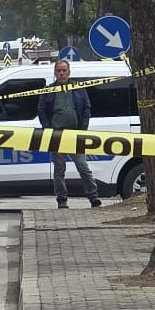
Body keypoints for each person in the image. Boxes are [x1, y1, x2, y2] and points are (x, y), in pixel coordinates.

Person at [36, 59, 101, 209]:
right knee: (59, 170)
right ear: (55, 73)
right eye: (59, 71)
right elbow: (41, 110)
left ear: (69, 72)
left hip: (75, 135)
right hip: (57, 134)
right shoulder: (48, 90)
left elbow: (86, 109)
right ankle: (62, 199)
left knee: (83, 167)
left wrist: (82, 129)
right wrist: (48, 129)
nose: (62, 73)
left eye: (64, 70)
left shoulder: (78, 88)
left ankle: (93, 197)